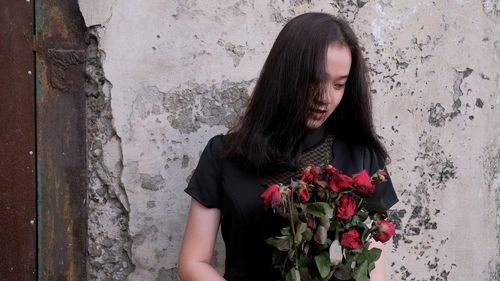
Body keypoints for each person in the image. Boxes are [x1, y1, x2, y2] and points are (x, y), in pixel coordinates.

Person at [178, 12, 398, 281]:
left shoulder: (361, 155)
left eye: (339, 85)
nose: (326, 98)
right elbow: (193, 263)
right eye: (315, 80)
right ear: (285, 72)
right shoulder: (223, 155)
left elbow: (372, 264)